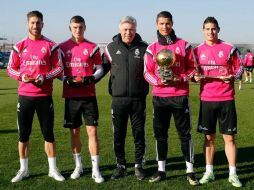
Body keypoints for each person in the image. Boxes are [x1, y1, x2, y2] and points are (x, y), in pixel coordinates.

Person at [7, 10, 65, 182]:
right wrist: (21, 76)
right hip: (25, 97)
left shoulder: (51, 45)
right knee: (23, 135)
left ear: (42, 24)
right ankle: (23, 170)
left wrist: (44, 77)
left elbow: (59, 68)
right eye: (32, 23)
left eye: (38, 22)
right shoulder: (19, 46)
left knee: (49, 134)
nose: (35, 26)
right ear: (27, 24)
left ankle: (53, 169)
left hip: (44, 96)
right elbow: (11, 68)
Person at [144, 11, 199, 185]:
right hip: (159, 97)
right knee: (160, 134)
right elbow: (147, 72)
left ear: (172, 24)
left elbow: (193, 69)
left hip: (180, 96)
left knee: (185, 134)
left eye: (167, 23)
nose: (164, 27)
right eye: (161, 23)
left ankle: (190, 171)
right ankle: (161, 170)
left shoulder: (184, 45)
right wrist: (159, 82)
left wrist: (180, 78)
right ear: (156, 25)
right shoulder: (151, 48)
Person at [194, 17, 243, 188]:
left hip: (226, 99)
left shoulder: (229, 48)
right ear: (203, 30)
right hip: (207, 99)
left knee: (229, 138)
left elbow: (240, 68)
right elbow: (194, 74)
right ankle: (209, 172)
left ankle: (233, 174)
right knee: (209, 138)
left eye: (213, 28)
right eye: (207, 29)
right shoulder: (197, 50)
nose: (210, 32)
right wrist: (195, 77)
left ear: (218, 29)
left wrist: (233, 76)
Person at [102, 16, 149, 180]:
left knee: (139, 134)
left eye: (131, 29)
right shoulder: (110, 48)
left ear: (136, 29)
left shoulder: (144, 48)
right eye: (125, 29)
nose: (128, 32)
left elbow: (152, 70)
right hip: (118, 100)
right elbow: (101, 70)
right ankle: (120, 165)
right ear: (120, 29)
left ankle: (138, 166)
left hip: (138, 100)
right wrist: (87, 79)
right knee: (118, 135)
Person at [59, 15, 104, 183]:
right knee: (74, 132)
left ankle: (95, 169)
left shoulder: (92, 47)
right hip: (71, 97)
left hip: (88, 96)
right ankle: (78, 166)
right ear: (70, 28)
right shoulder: (62, 48)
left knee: (92, 132)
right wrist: (65, 79)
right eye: (75, 27)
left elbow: (99, 69)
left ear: (85, 27)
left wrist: (91, 78)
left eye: (80, 27)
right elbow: (57, 70)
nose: (78, 30)